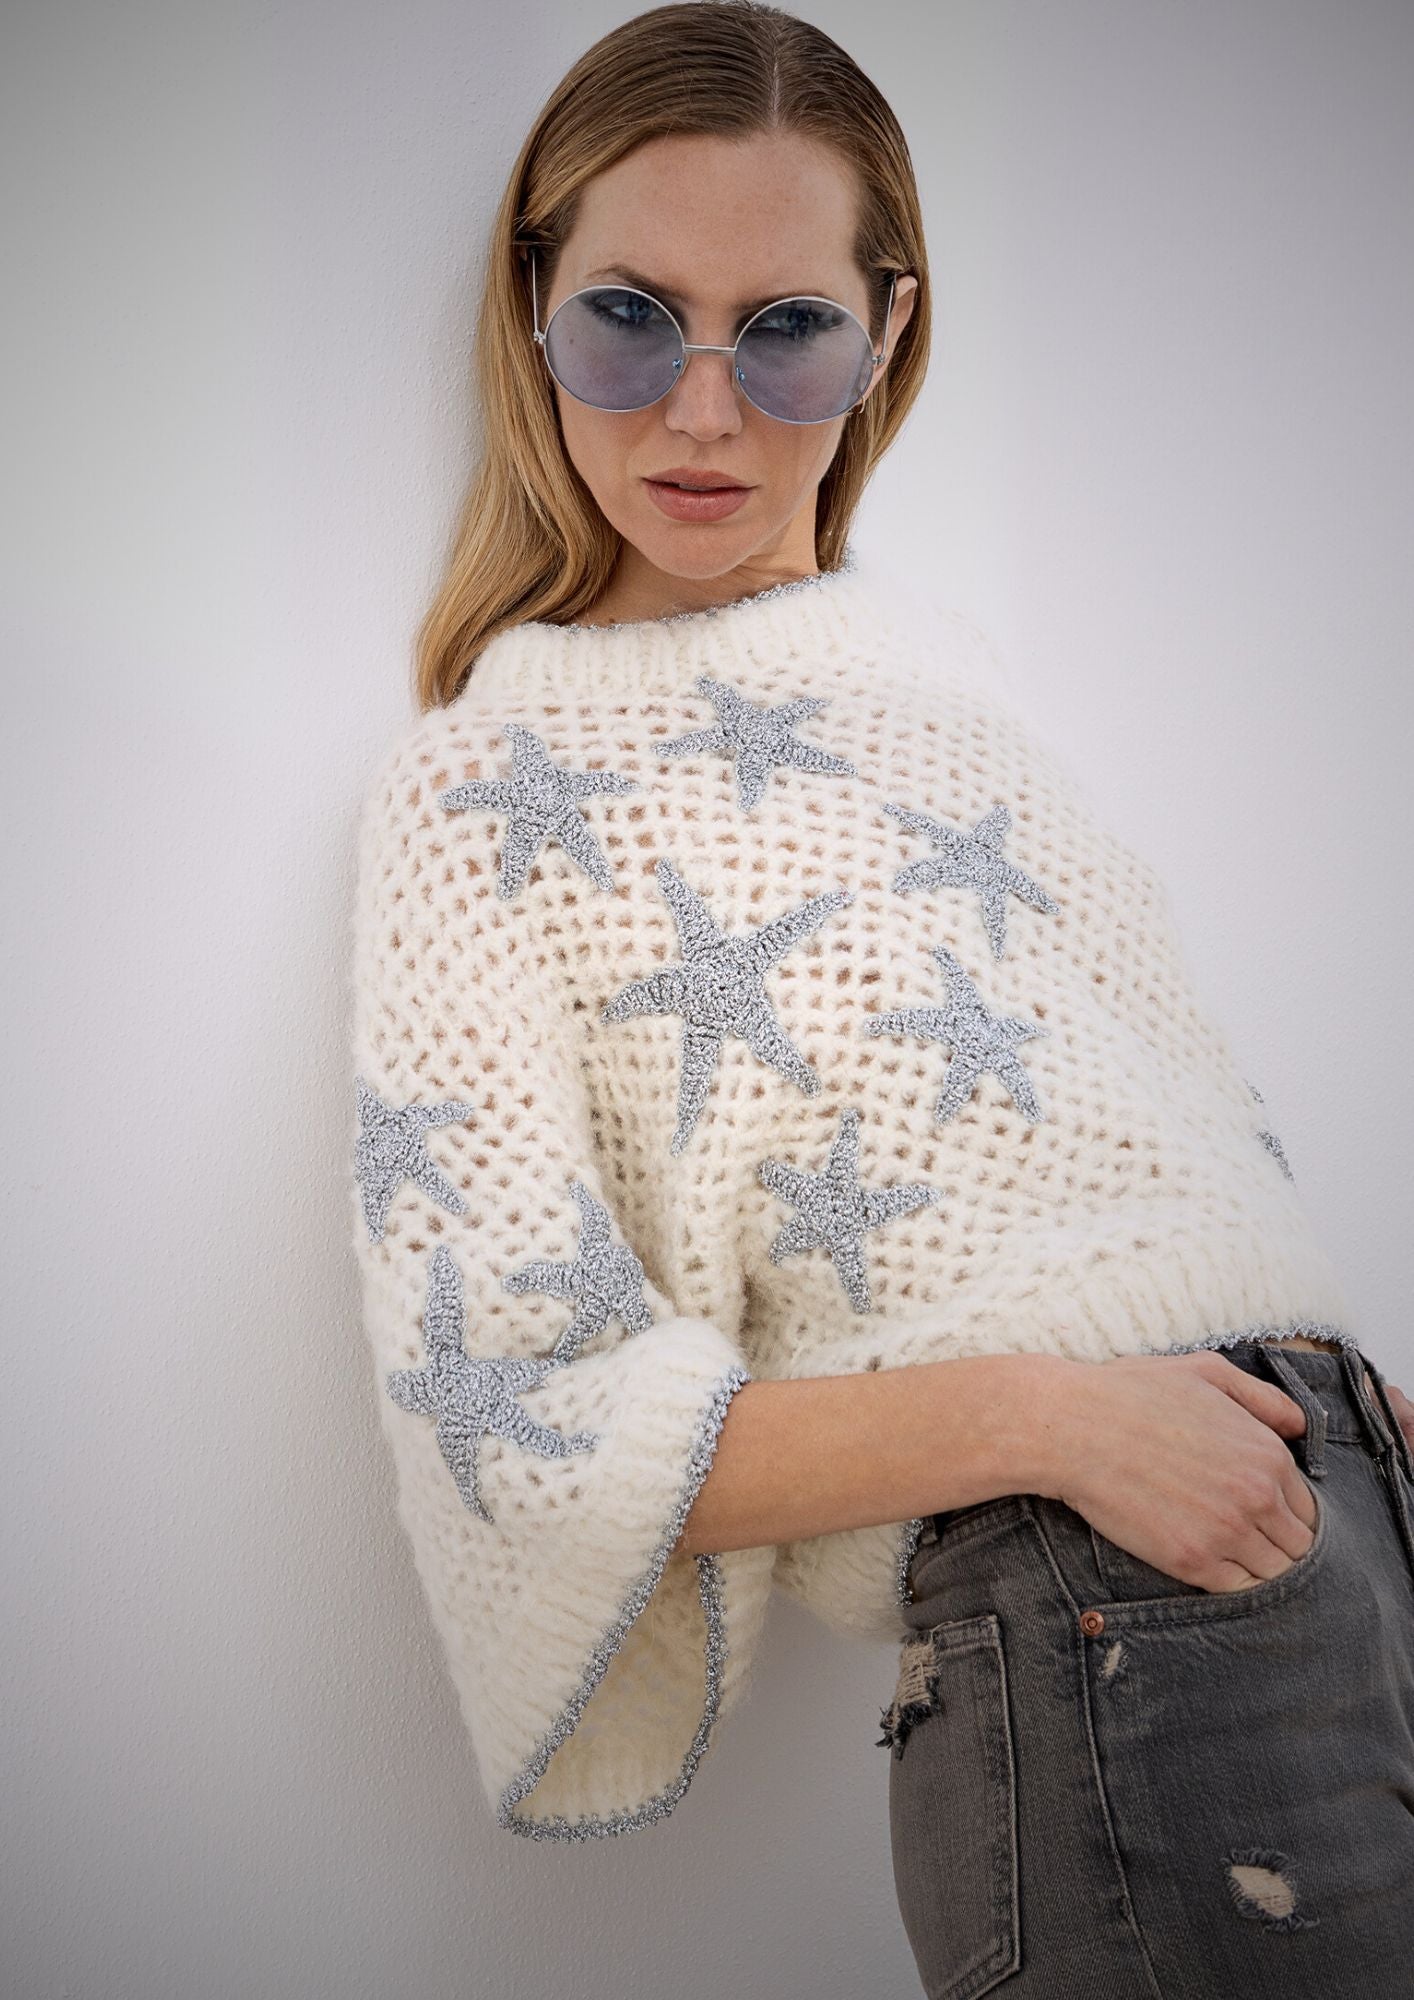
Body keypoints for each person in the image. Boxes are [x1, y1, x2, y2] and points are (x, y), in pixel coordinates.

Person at [346, 3, 1414, 1989]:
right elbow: (518, 1419)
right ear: (529, 313)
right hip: (1117, 1614)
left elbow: (1137, 1149)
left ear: (884, 335)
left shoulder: (950, 673)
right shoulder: (485, 780)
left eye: (783, 330)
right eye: (625, 318)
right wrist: (1049, 1414)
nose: (696, 411)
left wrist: (1351, 1424)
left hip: (1344, 1537)